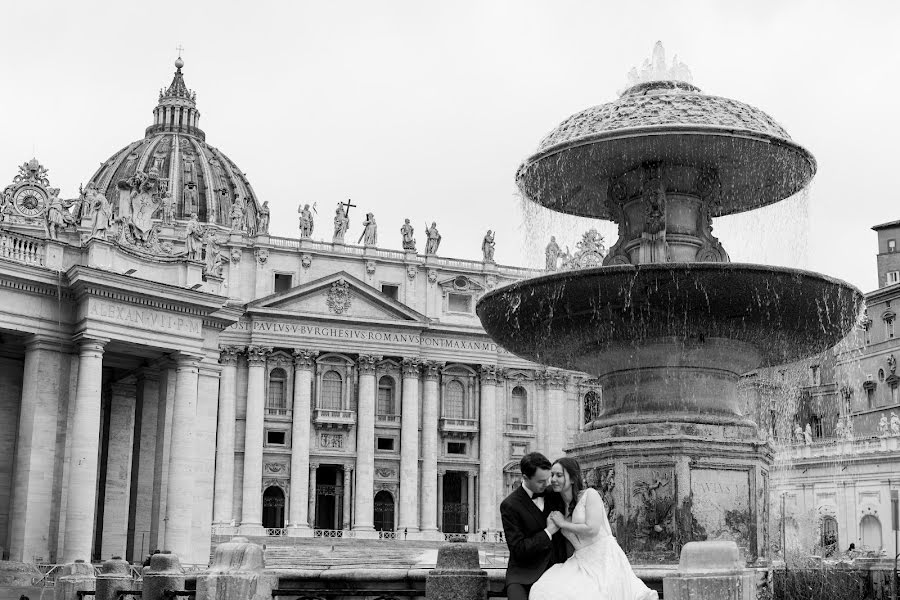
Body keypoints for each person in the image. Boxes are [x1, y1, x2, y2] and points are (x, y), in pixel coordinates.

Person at [530, 457, 658, 600]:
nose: (553, 479)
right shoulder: (558, 504)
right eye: (552, 475)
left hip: (603, 558)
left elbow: (592, 529)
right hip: (581, 560)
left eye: (559, 475)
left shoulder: (590, 494)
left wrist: (563, 524)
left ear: (572, 478)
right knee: (543, 588)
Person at [500, 452, 568, 600]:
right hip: (523, 575)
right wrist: (548, 532)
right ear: (525, 478)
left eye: (548, 479)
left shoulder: (555, 494)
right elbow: (518, 549)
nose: (547, 484)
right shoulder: (510, 505)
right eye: (540, 481)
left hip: (557, 571)